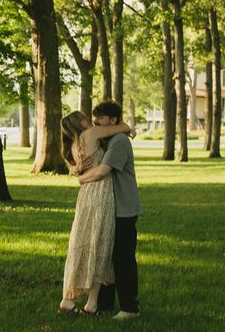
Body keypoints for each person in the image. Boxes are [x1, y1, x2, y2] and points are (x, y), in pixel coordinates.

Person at [58, 110, 133, 316]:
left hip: (85, 196)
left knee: (83, 243)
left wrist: (79, 176)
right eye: (84, 117)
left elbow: (78, 172)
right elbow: (123, 127)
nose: (89, 120)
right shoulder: (91, 134)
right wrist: (124, 127)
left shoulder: (72, 145)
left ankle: (71, 299)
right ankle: (90, 303)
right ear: (79, 123)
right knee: (100, 244)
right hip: (100, 193)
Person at [78, 100, 141, 320]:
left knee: (122, 258)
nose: (96, 122)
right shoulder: (105, 140)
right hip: (108, 209)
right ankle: (103, 306)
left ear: (113, 121)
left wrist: (81, 179)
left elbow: (102, 171)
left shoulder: (120, 141)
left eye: (100, 118)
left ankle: (129, 308)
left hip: (123, 209)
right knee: (105, 256)